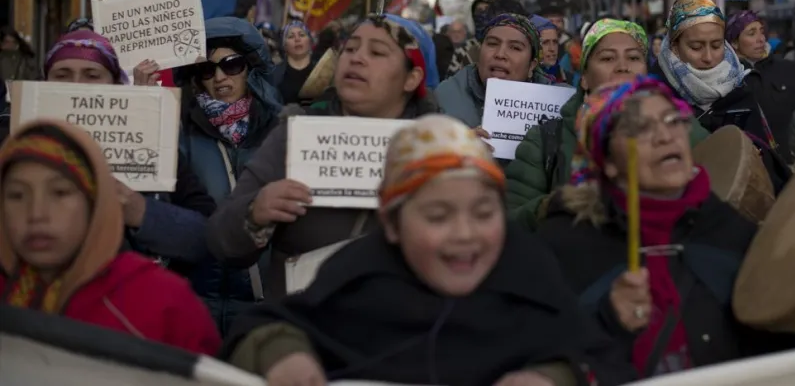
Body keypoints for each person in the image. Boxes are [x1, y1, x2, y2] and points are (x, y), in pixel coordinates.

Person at [221, 115, 636, 386]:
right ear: (393, 223)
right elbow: (265, 327)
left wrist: (552, 377)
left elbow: (596, 356)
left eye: (483, 212)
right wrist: (284, 356)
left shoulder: (531, 269)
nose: (464, 234)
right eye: (438, 216)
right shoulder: (358, 274)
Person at [537, 78, 773, 376]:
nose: (665, 136)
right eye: (640, 128)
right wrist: (608, 319)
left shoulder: (726, 225)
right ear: (607, 159)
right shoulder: (564, 243)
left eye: (672, 120)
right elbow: (541, 358)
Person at [206, 14, 439, 299]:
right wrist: (255, 213)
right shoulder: (294, 136)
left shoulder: (439, 151)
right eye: (350, 49)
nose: (357, 59)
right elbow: (220, 240)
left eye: (377, 52)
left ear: (412, 77)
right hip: (301, 330)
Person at [0, 120, 220, 354]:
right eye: (16, 195)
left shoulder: (165, 304)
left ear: (95, 202)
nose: (36, 214)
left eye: (60, 192)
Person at [506, 19, 709, 230]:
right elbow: (510, 223)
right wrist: (556, 205)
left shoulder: (679, 127)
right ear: (584, 78)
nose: (623, 67)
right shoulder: (545, 139)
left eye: (633, 57)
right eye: (608, 58)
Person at [42, 29, 216, 266]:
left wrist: (139, 210)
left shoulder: (153, 144)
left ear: (115, 85)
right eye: (62, 75)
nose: (77, 85)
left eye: (92, 75)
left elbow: (207, 237)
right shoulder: (15, 145)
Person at [171, 17, 282, 334]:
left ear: (250, 68)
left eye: (231, 65)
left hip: (259, 303)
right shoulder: (178, 129)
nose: (220, 77)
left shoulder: (281, 130)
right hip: (193, 300)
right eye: (207, 69)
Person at [652, 0, 790, 192]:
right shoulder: (654, 96)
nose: (708, 57)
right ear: (674, 47)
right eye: (696, 47)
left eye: (716, 46)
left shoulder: (739, 86)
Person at [726, 11, 795, 163]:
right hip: (744, 171)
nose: (760, 39)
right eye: (751, 33)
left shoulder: (786, 69)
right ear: (734, 43)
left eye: (761, 32)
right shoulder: (724, 77)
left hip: (784, 167)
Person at [435, 11, 553, 138]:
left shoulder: (557, 105)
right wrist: (460, 144)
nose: (500, 54)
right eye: (492, 44)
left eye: (515, 48)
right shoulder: (443, 97)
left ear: (531, 66)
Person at [273, 20, 315, 105]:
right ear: (284, 45)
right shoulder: (274, 74)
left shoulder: (323, 69)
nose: (297, 39)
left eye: (302, 35)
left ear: (310, 41)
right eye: (291, 36)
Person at [532, 15, 564, 82]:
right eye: (545, 43)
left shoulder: (569, 78)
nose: (552, 49)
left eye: (555, 42)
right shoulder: (522, 79)